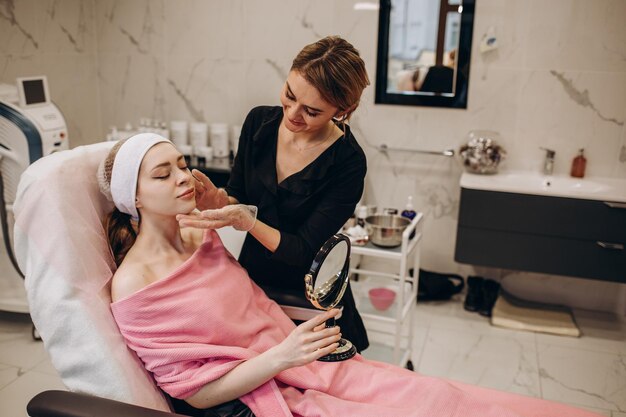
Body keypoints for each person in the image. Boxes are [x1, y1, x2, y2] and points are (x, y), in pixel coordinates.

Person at [102, 133, 601, 417]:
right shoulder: (134, 284)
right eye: (163, 174)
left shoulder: (199, 235)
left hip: (300, 358)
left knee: (435, 397)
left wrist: (293, 339)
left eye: (183, 165)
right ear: (134, 198)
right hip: (267, 391)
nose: (184, 178)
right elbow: (193, 391)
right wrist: (282, 355)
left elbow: (245, 300)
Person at [176, 36, 369, 352]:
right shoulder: (258, 124)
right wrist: (220, 202)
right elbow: (239, 192)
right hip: (253, 284)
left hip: (309, 297)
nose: (293, 114)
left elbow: (303, 250)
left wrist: (247, 221)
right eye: (289, 95)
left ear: (342, 110)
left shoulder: (347, 162)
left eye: (311, 111)